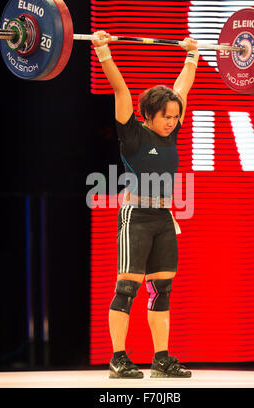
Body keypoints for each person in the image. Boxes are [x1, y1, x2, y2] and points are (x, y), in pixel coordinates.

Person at [92, 31, 198, 378]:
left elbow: (181, 89)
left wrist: (192, 55)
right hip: (136, 216)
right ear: (150, 114)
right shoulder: (134, 134)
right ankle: (118, 357)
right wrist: (104, 50)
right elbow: (121, 91)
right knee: (127, 287)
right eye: (166, 116)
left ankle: (161, 358)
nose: (172, 120)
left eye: (175, 116)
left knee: (162, 288)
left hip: (164, 216)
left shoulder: (172, 131)